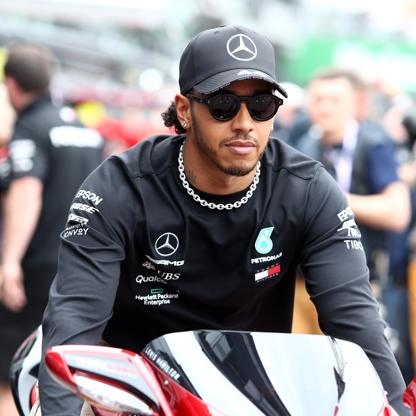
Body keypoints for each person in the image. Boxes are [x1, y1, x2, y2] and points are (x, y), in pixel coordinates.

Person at [38, 26, 409, 415]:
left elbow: (357, 324)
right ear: (185, 111)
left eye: (261, 105)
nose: (245, 122)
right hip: (134, 397)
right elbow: (73, 325)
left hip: (255, 398)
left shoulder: (308, 189)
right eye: (223, 105)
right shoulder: (118, 189)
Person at [0, 42, 104, 413]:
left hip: (36, 267)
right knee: (63, 366)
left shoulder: (31, 126)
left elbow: (26, 191)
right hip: (82, 265)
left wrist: (10, 261)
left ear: (12, 85)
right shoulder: (84, 129)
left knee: (14, 369)